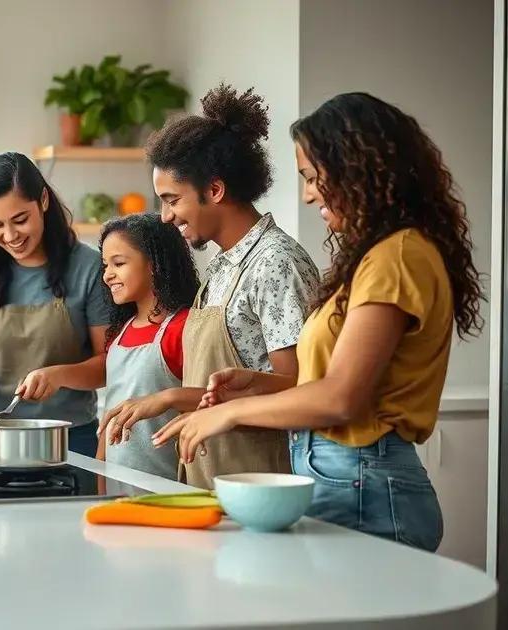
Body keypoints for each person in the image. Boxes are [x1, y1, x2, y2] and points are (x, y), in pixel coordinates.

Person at [158, 92, 484, 551]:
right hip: (343, 477)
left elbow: (341, 398)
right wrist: (253, 382)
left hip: (364, 481)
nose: (308, 194)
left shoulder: (398, 256)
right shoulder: (380, 255)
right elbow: (324, 382)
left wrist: (227, 413)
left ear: (360, 170)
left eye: (313, 178)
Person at [100, 84, 320, 488]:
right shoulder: (220, 267)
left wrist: (169, 399)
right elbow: (220, 387)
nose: (164, 216)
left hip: (259, 482)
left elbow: (301, 388)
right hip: (210, 478)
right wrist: (169, 399)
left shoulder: (273, 263)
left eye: (172, 199)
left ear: (215, 190)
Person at [0, 152, 109, 456]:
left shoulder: (89, 267)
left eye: (20, 220)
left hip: (70, 440)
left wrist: (58, 376)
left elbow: (108, 364)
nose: (10, 236)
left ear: (43, 200)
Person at [98, 214, 199, 478]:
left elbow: (211, 400)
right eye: (105, 265)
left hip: (167, 486)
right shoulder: (119, 332)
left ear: (154, 264)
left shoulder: (183, 327)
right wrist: (99, 475)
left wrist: (167, 398)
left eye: (118, 263)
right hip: (115, 484)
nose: (108, 275)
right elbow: (111, 416)